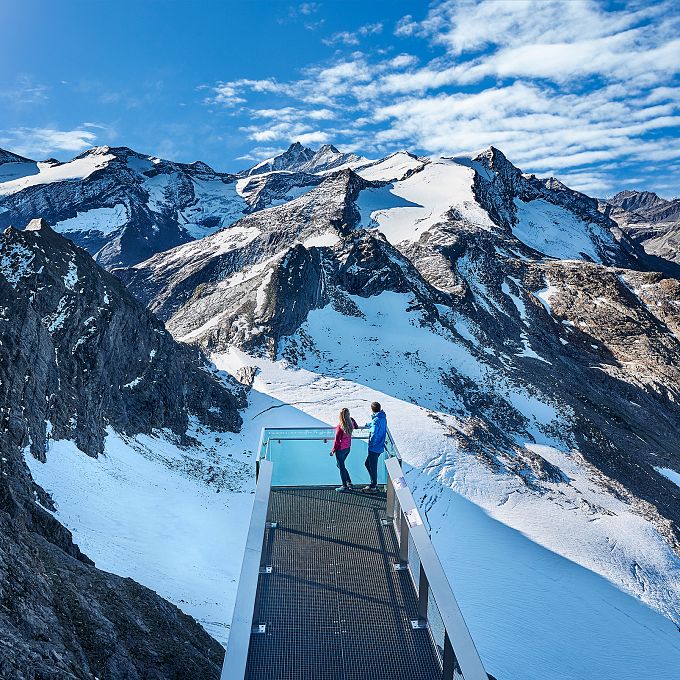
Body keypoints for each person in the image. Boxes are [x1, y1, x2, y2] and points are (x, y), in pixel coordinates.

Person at [330, 408, 358, 492]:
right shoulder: (351, 422)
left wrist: (333, 450)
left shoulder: (340, 427)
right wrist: (352, 420)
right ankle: (349, 482)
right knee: (340, 465)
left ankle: (345, 486)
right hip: (347, 448)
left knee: (341, 467)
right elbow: (356, 427)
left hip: (340, 450)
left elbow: (337, 441)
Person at [362, 401, 387, 493]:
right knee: (368, 464)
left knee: (372, 466)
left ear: (372, 409)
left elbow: (374, 433)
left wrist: (371, 444)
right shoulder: (382, 418)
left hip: (374, 447)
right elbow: (376, 426)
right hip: (379, 446)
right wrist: (369, 424)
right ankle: (373, 483)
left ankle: (373, 486)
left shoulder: (376, 420)